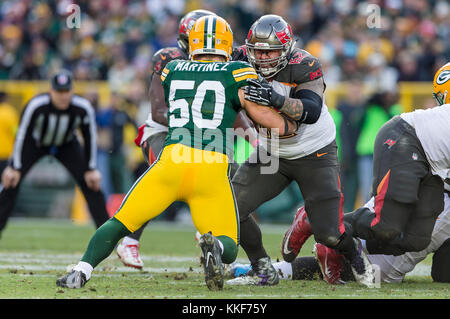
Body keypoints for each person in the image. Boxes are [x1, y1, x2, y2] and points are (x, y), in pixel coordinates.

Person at [56, 15, 298, 291]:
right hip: (211, 168)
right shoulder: (238, 71)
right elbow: (259, 116)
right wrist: (286, 122)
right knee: (229, 244)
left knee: (120, 222)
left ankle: (81, 270)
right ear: (227, 43)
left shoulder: (172, 68)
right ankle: (214, 246)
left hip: (173, 162)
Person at [227, 14, 375, 288]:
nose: (262, 58)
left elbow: (310, 111)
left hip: (314, 152)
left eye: (269, 51)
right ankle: (262, 268)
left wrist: (276, 99)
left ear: (285, 49)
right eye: (257, 51)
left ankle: (354, 254)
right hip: (271, 151)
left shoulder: (305, 64)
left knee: (330, 234)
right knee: (231, 209)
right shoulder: (238, 59)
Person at [117, 9, 259, 270]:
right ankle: (129, 239)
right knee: (165, 174)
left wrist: (255, 140)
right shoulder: (169, 60)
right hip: (165, 132)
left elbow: (230, 112)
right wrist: (197, 127)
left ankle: (241, 255)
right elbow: (159, 111)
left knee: (233, 185)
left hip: (206, 138)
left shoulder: (221, 64)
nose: (209, 48)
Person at [281, 62, 450, 274]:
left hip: (432, 164)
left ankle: (341, 246)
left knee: (416, 239)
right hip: (406, 140)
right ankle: (313, 221)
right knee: (387, 225)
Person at [228, 191, 450, 284]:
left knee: (341, 261)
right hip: (434, 207)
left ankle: (334, 228)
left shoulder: (428, 129)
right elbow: (442, 273)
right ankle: (336, 233)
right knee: (374, 271)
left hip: (404, 186)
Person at [0, 70, 110, 237]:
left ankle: (107, 236)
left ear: (72, 91)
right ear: (51, 91)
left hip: (66, 144)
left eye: (66, 91)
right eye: (59, 91)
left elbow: (89, 137)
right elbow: (22, 134)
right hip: (36, 144)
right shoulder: (37, 105)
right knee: (11, 181)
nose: (63, 96)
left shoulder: (82, 107)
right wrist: (14, 166)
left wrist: (91, 168)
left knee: (92, 184)